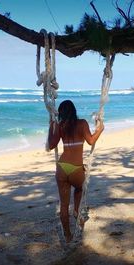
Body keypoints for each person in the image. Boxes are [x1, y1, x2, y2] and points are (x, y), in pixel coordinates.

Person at [47, 100, 104, 242]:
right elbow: (91, 141)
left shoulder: (60, 126)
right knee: (79, 189)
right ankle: (77, 211)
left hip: (62, 168)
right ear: (74, 110)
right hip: (76, 169)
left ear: (61, 113)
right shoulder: (82, 123)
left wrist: (51, 127)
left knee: (64, 205)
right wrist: (100, 129)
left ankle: (67, 235)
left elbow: (51, 145)